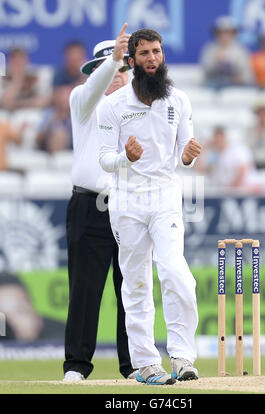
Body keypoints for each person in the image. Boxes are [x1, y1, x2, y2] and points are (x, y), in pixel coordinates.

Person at [98, 28, 202, 385]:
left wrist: (188, 157)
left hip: (165, 197)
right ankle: (145, 363)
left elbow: (185, 149)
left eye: (157, 52)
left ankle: (183, 356)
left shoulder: (178, 100)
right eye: (144, 54)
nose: (153, 59)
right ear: (131, 61)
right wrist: (125, 157)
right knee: (137, 283)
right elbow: (104, 160)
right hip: (127, 200)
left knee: (175, 273)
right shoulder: (113, 105)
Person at [63, 24, 137, 382]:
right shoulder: (82, 101)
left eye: (124, 69)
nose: (116, 75)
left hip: (129, 206)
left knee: (133, 288)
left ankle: (134, 364)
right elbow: (94, 91)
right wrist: (115, 60)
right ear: (94, 71)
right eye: (109, 68)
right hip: (89, 206)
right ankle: (77, 365)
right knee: (84, 291)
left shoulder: (138, 110)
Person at [195, 126, 261, 191]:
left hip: (244, 188)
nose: (218, 141)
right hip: (226, 190)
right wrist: (202, 148)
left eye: (220, 138)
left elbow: (243, 170)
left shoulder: (237, 149)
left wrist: (231, 189)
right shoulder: (214, 154)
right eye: (216, 139)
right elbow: (200, 170)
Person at [200, 16, 254, 89]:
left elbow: (247, 76)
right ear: (216, 33)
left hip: (237, 89)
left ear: (234, 33)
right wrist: (217, 62)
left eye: (228, 32)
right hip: (214, 88)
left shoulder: (241, 50)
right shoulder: (210, 49)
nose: (225, 35)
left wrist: (232, 70)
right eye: (221, 32)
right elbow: (206, 72)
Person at [36, 85, 73, 153]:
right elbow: (38, 138)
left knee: (61, 134)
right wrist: (52, 122)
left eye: (67, 97)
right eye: (62, 97)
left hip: (70, 147)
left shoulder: (74, 116)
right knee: (59, 133)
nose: (64, 100)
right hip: (48, 146)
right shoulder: (49, 114)